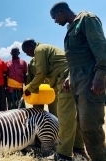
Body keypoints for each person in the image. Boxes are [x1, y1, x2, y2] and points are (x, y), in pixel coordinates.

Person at [50, 2, 106, 160]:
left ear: (61, 12)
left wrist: (100, 76)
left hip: (90, 82)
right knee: (82, 124)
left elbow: (102, 49)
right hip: (77, 82)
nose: (55, 21)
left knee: (91, 127)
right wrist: (69, 77)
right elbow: (77, 58)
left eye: (55, 17)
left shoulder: (87, 19)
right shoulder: (71, 28)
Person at [22, 39, 87, 160]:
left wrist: (29, 88)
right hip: (59, 82)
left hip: (64, 80)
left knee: (63, 116)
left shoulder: (40, 50)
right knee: (70, 115)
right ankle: (77, 148)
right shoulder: (35, 59)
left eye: (27, 51)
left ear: (32, 45)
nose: (27, 54)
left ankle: (64, 153)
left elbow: (41, 74)